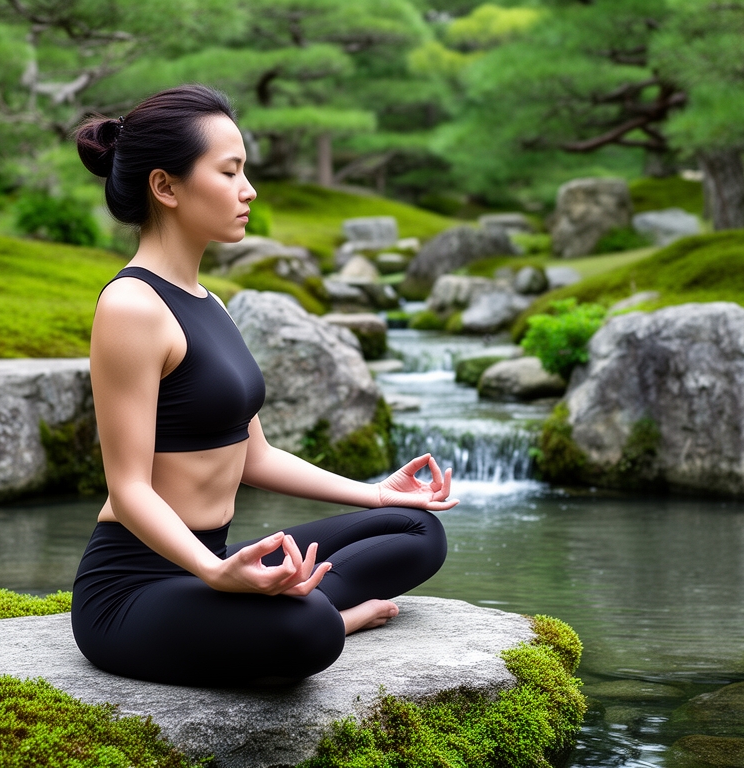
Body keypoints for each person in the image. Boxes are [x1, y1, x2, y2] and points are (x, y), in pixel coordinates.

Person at [70, 84, 458, 687]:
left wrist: (378, 492)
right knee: (311, 631)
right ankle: (329, 617)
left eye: (244, 170)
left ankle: (286, 603)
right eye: (230, 172)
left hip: (214, 559)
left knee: (415, 530)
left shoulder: (208, 302)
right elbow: (127, 489)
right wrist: (213, 572)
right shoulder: (130, 306)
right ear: (165, 187)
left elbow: (256, 456)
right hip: (135, 587)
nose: (249, 190)